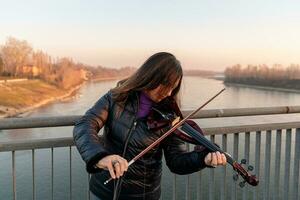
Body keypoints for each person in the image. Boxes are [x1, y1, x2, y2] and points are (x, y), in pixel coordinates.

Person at [73, 52, 227, 200]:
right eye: (166, 85)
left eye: (173, 88)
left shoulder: (170, 116)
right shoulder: (116, 97)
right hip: (103, 191)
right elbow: (85, 124)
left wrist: (202, 159)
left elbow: (176, 161)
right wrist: (100, 157)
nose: (169, 93)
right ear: (151, 76)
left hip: (143, 196)